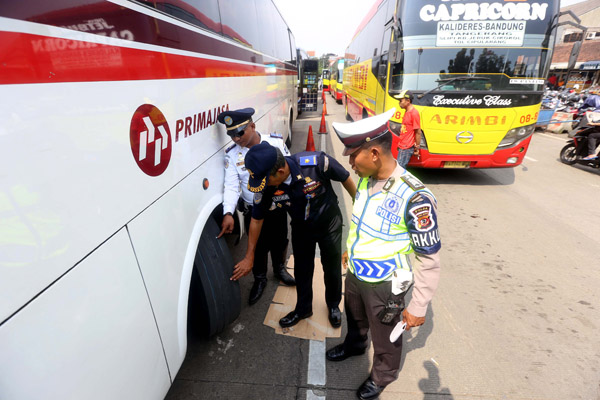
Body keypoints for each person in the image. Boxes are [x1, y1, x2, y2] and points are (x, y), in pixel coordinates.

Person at [328, 108, 442, 400]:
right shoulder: (366, 180)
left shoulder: (415, 197)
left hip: (385, 283)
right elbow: (360, 221)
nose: (350, 163)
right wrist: (349, 250)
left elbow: (428, 259)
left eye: (353, 156)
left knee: (386, 336)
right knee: (355, 318)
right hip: (356, 273)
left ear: (375, 153)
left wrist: (418, 306)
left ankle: (383, 374)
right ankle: (355, 345)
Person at [232, 142, 356, 328]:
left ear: (280, 172)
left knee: (331, 267)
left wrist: (360, 210)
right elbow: (256, 220)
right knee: (302, 270)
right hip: (301, 227)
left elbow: (346, 178)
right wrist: (249, 256)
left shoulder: (317, 163)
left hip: (328, 224)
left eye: (266, 180)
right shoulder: (266, 187)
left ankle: (333, 306)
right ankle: (303, 308)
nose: (263, 186)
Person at [217, 108, 295, 305]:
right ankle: (260, 279)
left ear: (252, 126)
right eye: (231, 135)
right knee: (259, 247)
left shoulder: (276, 142)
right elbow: (232, 186)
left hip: (277, 206)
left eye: (239, 133)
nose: (236, 139)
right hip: (255, 210)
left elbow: (289, 172)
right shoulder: (233, 155)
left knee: (280, 240)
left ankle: (279, 269)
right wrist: (228, 212)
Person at [394, 90, 422, 168]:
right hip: (402, 146)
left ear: (408, 101)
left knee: (399, 170)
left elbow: (418, 132)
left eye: (401, 100)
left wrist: (417, 147)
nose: (399, 103)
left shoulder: (414, 113)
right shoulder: (407, 111)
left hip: (406, 148)